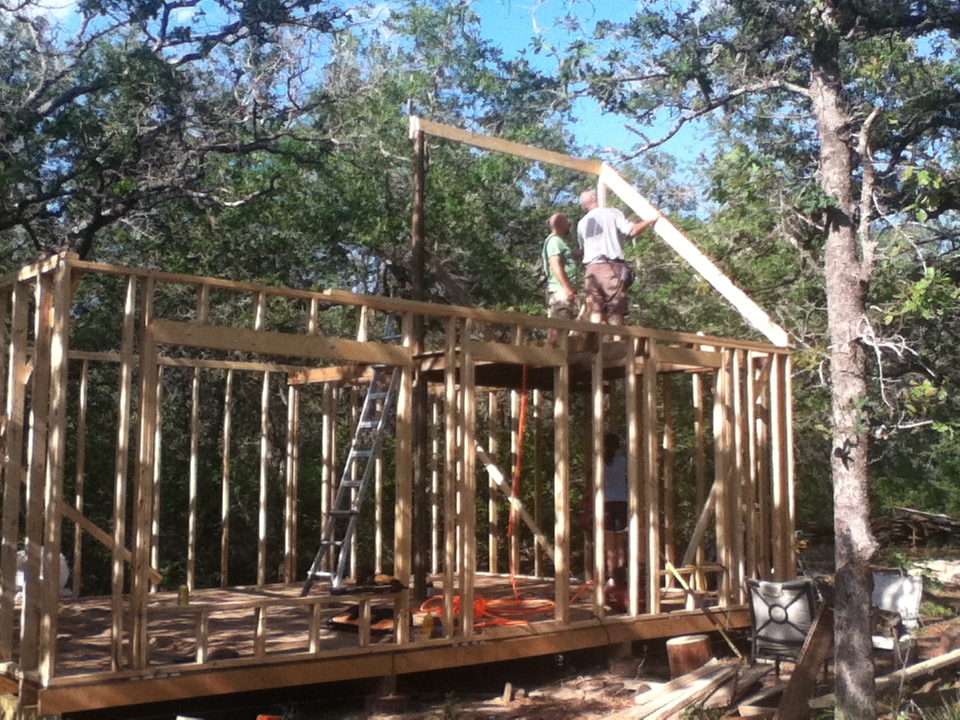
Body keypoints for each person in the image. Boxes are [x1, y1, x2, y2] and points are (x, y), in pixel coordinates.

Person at [577, 190, 658, 325]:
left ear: (584, 206)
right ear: (597, 198)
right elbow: (632, 231)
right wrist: (651, 220)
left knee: (596, 310)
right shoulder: (612, 213)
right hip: (610, 268)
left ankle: (596, 336)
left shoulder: (582, 223)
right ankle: (617, 337)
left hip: (591, 271)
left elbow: (582, 249)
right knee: (616, 310)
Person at [542, 212, 579, 331]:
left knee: (563, 326)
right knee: (559, 327)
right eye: (567, 222)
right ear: (559, 224)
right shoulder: (554, 241)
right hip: (560, 291)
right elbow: (555, 265)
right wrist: (567, 288)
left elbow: (569, 257)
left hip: (561, 290)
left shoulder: (560, 242)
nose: (569, 225)